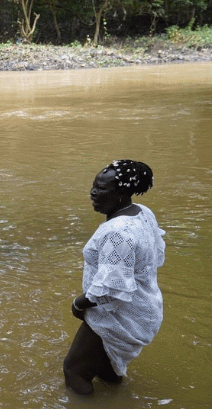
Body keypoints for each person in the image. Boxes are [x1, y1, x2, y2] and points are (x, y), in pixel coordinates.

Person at [63, 159, 165, 395]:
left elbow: (110, 287)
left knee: (75, 370)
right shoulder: (141, 212)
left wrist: (78, 304)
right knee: (107, 370)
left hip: (119, 314)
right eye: (93, 185)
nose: (92, 193)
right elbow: (152, 257)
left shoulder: (117, 232)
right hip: (144, 307)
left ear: (121, 193)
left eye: (101, 189)